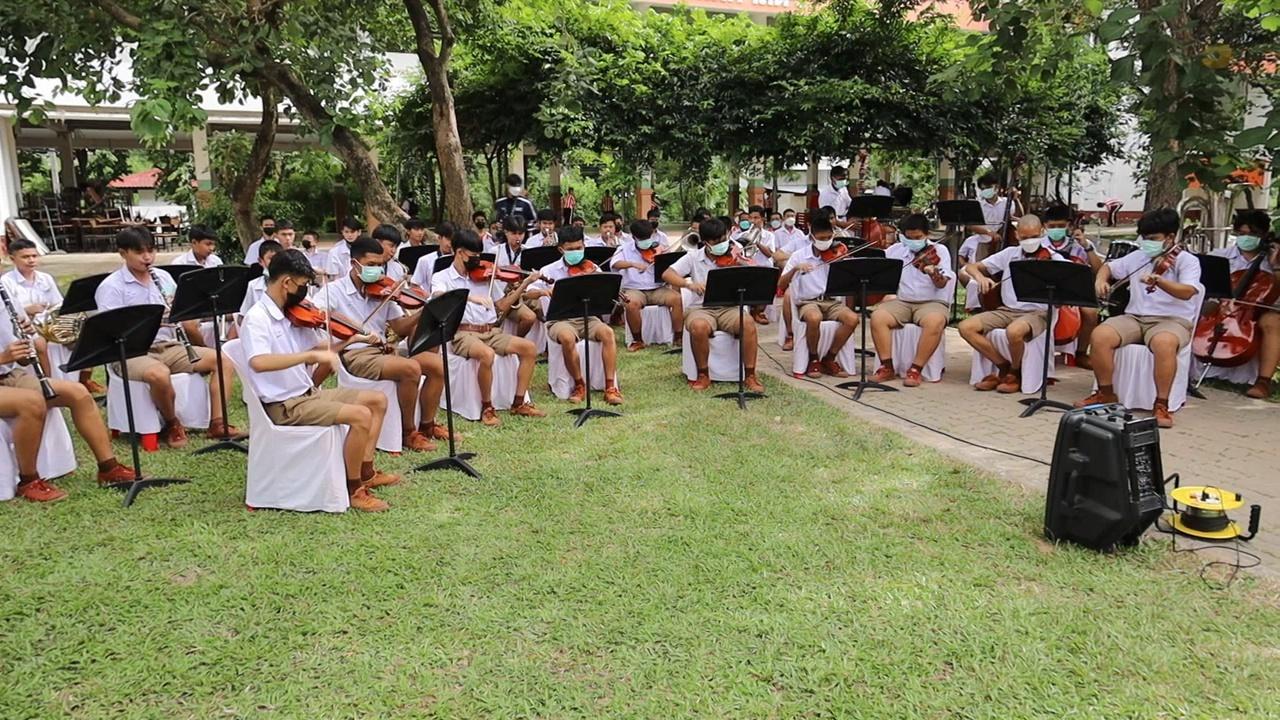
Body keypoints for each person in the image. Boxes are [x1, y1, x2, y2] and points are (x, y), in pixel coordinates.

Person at [240, 249, 397, 512]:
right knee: (360, 415)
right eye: (302, 285)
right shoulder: (257, 318)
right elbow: (259, 362)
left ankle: (366, 470)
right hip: (284, 404)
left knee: (377, 400)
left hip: (306, 394)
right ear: (286, 282)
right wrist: (309, 356)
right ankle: (354, 489)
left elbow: (321, 349)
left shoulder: (291, 314)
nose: (305, 293)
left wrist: (351, 339)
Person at [95, 226, 242, 446]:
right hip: (132, 352)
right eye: (140, 252)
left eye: (151, 250)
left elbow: (182, 315)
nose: (147, 257)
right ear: (123, 253)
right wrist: (151, 321)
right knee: (159, 373)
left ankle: (218, 423)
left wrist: (178, 314)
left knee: (223, 361)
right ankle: (172, 423)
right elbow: (111, 331)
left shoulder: (162, 278)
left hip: (168, 345)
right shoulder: (111, 287)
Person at [0, 278, 138, 502]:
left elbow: (22, 359)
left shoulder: (4, 293)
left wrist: (26, 342)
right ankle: (28, 480)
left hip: (9, 375)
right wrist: (4, 357)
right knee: (31, 402)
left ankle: (109, 468)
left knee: (78, 393)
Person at [317, 236, 452, 451]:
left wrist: (423, 311)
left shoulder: (384, 291)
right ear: (354, 264)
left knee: (437, 365)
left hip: (384, 350)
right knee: (411, 369)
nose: (377, 271)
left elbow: (399, 328)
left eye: (380, 265)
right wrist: (353, 330)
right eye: (371, 265)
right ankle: (408, 432)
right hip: (355, 353)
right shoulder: (333, 291)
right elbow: (318, 314)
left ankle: (427, 425)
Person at [1076, 208, 1202, 427]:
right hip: (1135, 318)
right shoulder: (1139, 257)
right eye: (1144, 237)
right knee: (1100, 335)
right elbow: (1108, 267)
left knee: (1164, 343)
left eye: (1153, 238)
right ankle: (1105, 393)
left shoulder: (1187, 261)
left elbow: (1188, 291)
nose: (1147, 242)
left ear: (1170, 237)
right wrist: (1101, 280)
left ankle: (1161, 404)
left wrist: (1161, 282)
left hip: (1172, 320)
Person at [430, 229, 546, 426]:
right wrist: (470, 297)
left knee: (529, 349)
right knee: (486, 354)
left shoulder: (485, 275)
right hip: (463, 333)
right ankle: (487, 407)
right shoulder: (442, 277)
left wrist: (524, 284)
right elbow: (438, 296)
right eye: (473, 255)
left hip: (490, 331)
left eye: (479, 255)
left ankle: (519, 403)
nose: (478, 260)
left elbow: (501, 306)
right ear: (460, 253)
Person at [959, 215, 1066, 393]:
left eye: (1034, 236)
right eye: (1025, 237)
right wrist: (980, 277)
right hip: (1007, 310)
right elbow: (972, 267)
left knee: (1014, 331)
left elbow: (1069, 283)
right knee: (966, 327)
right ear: (1017, 235)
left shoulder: (1054, 258)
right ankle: (1003, 366)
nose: (1029, 241)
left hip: (1037, 312)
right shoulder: (1010, 253)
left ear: (1042, 232)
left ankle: (1015, 372)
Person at [662, 218, 765, 393]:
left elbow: (755, 275)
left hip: (729, 307)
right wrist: (689, 284)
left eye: (724, 239)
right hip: (701, 308)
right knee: (699, 326)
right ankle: (703, 374)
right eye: (716, 242)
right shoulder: (693, 257)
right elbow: (667, 274)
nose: (722, 244)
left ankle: (750, 375)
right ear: (705, 242)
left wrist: (743, 264)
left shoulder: (736, 252)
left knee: (747, 323)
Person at [525, 227, 623, 405]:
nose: (576, 252)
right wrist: (544, 291)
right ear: (561, 249)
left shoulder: (592, 268)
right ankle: (579, 384)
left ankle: (610, 387)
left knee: (608, 333)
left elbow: (605, 291)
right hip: (559, 320)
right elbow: (529, 293)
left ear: (584, 246)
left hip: (587, 317)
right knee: (567, 337)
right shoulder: (549, 270)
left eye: (579, 248)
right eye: (570, 249)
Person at [2, 239, 104, 394]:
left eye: (34, 256)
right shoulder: (6, 282)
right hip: (27, 327)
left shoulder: (45, 278)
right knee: (41, 343)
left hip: (49, 324)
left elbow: (58, 305)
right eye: (25, 257)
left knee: (87, 332)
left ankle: (83, 379)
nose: (31, 260)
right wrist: (27, 310)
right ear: (12, 258)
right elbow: (8, 313)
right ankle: (48, 384)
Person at [869, 213, 955, 386]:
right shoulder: (896, 250)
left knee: (934, 322)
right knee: (878, 317)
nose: (913, 241)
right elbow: (879, 267)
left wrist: (934, 274)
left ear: (927, 234)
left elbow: (942, 284)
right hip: (903, 301)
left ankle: (916, 369)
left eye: (918, 238)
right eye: (909, 238)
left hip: (931, 302)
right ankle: (887, 367)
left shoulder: (940, 251)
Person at [1203, 211, 1280, 398]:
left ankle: (1263, 382)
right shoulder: (1219, 256)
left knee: (1273, 322)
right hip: (1223, 307)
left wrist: (1276, 265)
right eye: (1242, 233)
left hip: (1259, 310)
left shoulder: (1273, 261)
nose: (1246, 238)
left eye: (1253, 234)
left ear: (1264, 235)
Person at [778, 214, 858, 378]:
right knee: (814, 318)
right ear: (812, 237)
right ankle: (813, 358)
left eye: (829, 237)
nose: (826, 242)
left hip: (831, 301)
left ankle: (830, 357)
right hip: (808, 302)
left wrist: (845, 265)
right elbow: (781, 284)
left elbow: (849, 280)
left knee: (852, 319)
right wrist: (795, 269)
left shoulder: (836, 253)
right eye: (821, 238)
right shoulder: (799, 255)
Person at [1044, 203, 1102, 366]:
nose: (1056, 229)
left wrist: (1087, 247)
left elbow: (1099, 270)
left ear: (1069, 226)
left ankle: (1081, 352)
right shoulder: (1040, 244)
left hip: (1073, 290)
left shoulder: (1079, 245)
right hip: (1045, 288)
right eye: (1052, 226)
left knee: (1091, 313)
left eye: (1061, 226)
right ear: (1045, 226)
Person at [612, 219, 683, 352]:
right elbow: (615, 264)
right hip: (635, 289)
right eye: (642, 239)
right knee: (631, 303)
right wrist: (632, 264)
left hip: (657, 288)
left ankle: (678, 337)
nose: (646, 241)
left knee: (677, 299)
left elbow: (672, 267)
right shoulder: (624, 249)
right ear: (634, 237)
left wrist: (664, 258)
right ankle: (638, 340)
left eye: (648, 237)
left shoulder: (658, 247)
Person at [493, 216, 540, 338]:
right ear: (506, 232)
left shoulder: (529, 252)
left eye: (521, 234)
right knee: (529, 317)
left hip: (522, 293)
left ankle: (526, 342)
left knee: (543, 306)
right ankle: (516, 343)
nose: (518, 237)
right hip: (502, 295)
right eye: (514, 233)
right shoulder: (494, 251)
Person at [968, 173, 1022, 259]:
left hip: (1005, 244)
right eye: (983, 189)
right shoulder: (978, 205)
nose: (986, 190)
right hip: (985, 243)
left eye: (988, 187)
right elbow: (971, 225)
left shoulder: (1006, 202)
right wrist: (989, 233)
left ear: (996, 187)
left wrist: (1016, 199)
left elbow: (1018, 216)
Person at [240, 240, 282, 315]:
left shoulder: (289, 282)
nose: (275, 261)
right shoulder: (253, 285)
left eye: (278, 258)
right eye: (271, 258)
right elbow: (244, 313)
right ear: (260, 261)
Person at [410, 222, 455, 292]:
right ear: (439, 238)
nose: (450, 244)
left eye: (453, 240)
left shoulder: (459, 261)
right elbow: (415, 285)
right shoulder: (425, 260)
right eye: (448, 239)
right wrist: (428, 295)